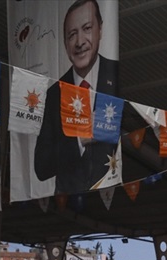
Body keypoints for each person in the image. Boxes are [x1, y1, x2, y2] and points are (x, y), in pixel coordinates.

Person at [34, 0, 119, 194]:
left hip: (117, 200)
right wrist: (79, 139)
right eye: (72, 35)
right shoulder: (55, 94)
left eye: (87, 28)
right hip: (69, 206)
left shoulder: (118, 76)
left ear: (101, 30)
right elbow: (41, 166)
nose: (80, 42)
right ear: (65, 44)